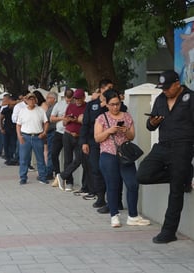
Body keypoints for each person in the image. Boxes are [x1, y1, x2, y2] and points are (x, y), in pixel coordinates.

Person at [137, 70, 194, 244]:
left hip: (182, 146)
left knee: (175, 191)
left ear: (178, 84)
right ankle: (183, 174)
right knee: (143, 174)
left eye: (167, 88)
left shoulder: (190, 98)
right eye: (162, 88)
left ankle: (169, 231)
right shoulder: (160, 99)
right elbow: (150, 125)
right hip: (162, 146)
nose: (165, 91)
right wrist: (152, 123)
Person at [94, 89, 150, 228]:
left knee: (133, 184)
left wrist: (126, 131)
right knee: (113, 185)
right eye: (112, 104)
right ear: (106, 104)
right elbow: (97, 138)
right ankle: (114, 215)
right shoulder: (102, 118)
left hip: (125, 156)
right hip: (108, 155)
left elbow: (132, 136)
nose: (115, 107)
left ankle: (133, 215)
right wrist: (109, 131)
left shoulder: (127, 116)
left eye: (117, 104)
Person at [80, 79, 126, 214]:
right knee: (97, 169)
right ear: (101, 89)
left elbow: (123, 117)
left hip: (113, 144)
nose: (110, 91)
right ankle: (101, 197)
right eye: (107, 88)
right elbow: (86, 124)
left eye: (112, 88)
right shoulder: (92, 105)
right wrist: (84, 141)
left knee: (115, 173)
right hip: (95, 141)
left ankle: (117, 201)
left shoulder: (118, 105)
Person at [55, 89, 87, 192]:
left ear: (83, 98)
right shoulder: (71, 106)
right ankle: (69, 183)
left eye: (79, 98)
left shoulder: (87, 107)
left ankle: (62, 176)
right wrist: (68, 120)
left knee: (79, 159)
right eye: (76, 98)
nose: (77, 101)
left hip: (80, 136)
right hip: (68, 135)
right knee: (67, 160)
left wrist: (76, 120)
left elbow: (86, 122)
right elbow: (64, 123)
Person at [16, 92, 49, 184]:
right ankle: (23, 177)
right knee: (24, 158)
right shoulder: (22, 111)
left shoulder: (40, 110)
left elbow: (46, 122)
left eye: (33, 99)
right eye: (29, 99)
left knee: (40, 158)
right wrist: (19, 136)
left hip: (37, 136)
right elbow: (18, 125)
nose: (31, 101)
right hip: (25, 136)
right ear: (26, 100)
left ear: (35, 100)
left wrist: (44, 132)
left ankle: (42, 176)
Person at [50, 89, 74, 187]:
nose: (69, 102)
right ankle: (58, 175)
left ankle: (68, 180)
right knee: (54, 154)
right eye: (67, 100)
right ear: (64, 97)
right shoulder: (59, 105)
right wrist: (62, 118)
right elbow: (52, 118)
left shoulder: (75, 105)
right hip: (59, 132)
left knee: (68, 158)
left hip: (70, 133)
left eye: (70, 100)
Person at [0, 94, 18, 165]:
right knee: (6, 144)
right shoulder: (5, 109)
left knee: (13, 144)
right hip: (6, 128)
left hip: (14, 129)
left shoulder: (16, 109)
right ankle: (8, 158)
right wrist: (1, 128)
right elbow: (0, 119)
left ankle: (13, 158)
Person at [44, 92, 58, 180]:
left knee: (51, 152)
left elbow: (49, 120)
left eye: (49, 98)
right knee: (50, 152)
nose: (47, 99)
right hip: (49, 132)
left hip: (53, 131)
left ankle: (49, 172)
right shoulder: (50, 108)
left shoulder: (55, 108)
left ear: (54, 99)